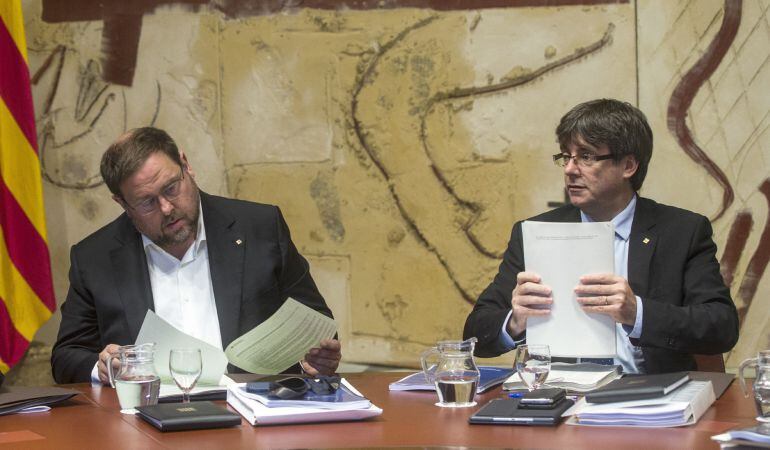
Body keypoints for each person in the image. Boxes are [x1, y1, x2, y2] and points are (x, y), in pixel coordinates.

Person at [463, 99, 739, 374]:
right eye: (565, 156)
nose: (570, 169)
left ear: (628, 166)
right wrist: (515, 320)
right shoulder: (537, 233)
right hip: (556, 394)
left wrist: (637, 313)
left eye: (586, 156)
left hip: (645, 397)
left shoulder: (682, 231)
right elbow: (475, 334)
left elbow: (721, 326)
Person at [51, 127, 341, 384]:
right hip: (149, 420)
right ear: (122, 203)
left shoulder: (259, 226)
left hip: (252, 411)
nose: (167, 207)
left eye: (171, 188)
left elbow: (315, 320)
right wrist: (101, 368)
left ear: (186, 165)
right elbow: (66, 357)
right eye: (147, 202)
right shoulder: (95, 257)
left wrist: (317, 358)